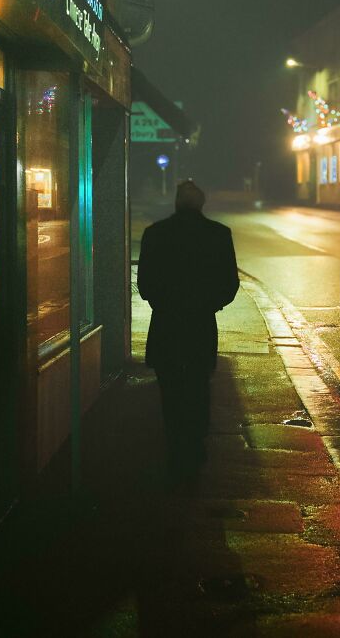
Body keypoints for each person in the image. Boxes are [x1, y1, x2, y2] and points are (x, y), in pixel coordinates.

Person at [137, 180, 239, 483]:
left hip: (166, 323)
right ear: (202, 204)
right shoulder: (219, 235)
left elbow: (144, 284)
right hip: (200, 323)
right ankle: (195, 445)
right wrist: (208, 305)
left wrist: (164, 302)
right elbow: (229, 285)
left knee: (170, 389)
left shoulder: (154, 234)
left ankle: (175, 446)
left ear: (177, 203)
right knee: (198, 385)